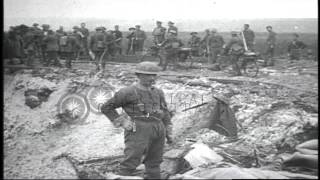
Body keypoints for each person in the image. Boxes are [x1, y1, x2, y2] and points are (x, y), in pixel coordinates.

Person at [101, 61, 173, 179]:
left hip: (158, 127)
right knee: (131, 161)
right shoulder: (127, 92)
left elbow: (164, 111)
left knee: (155, 162)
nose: (151, 78)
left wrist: (168, 127)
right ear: (138, 75)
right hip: (138, 128)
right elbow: (106, 107)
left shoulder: (158, 92)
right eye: (147, 75)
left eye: (154, 75)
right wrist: (122, 121)